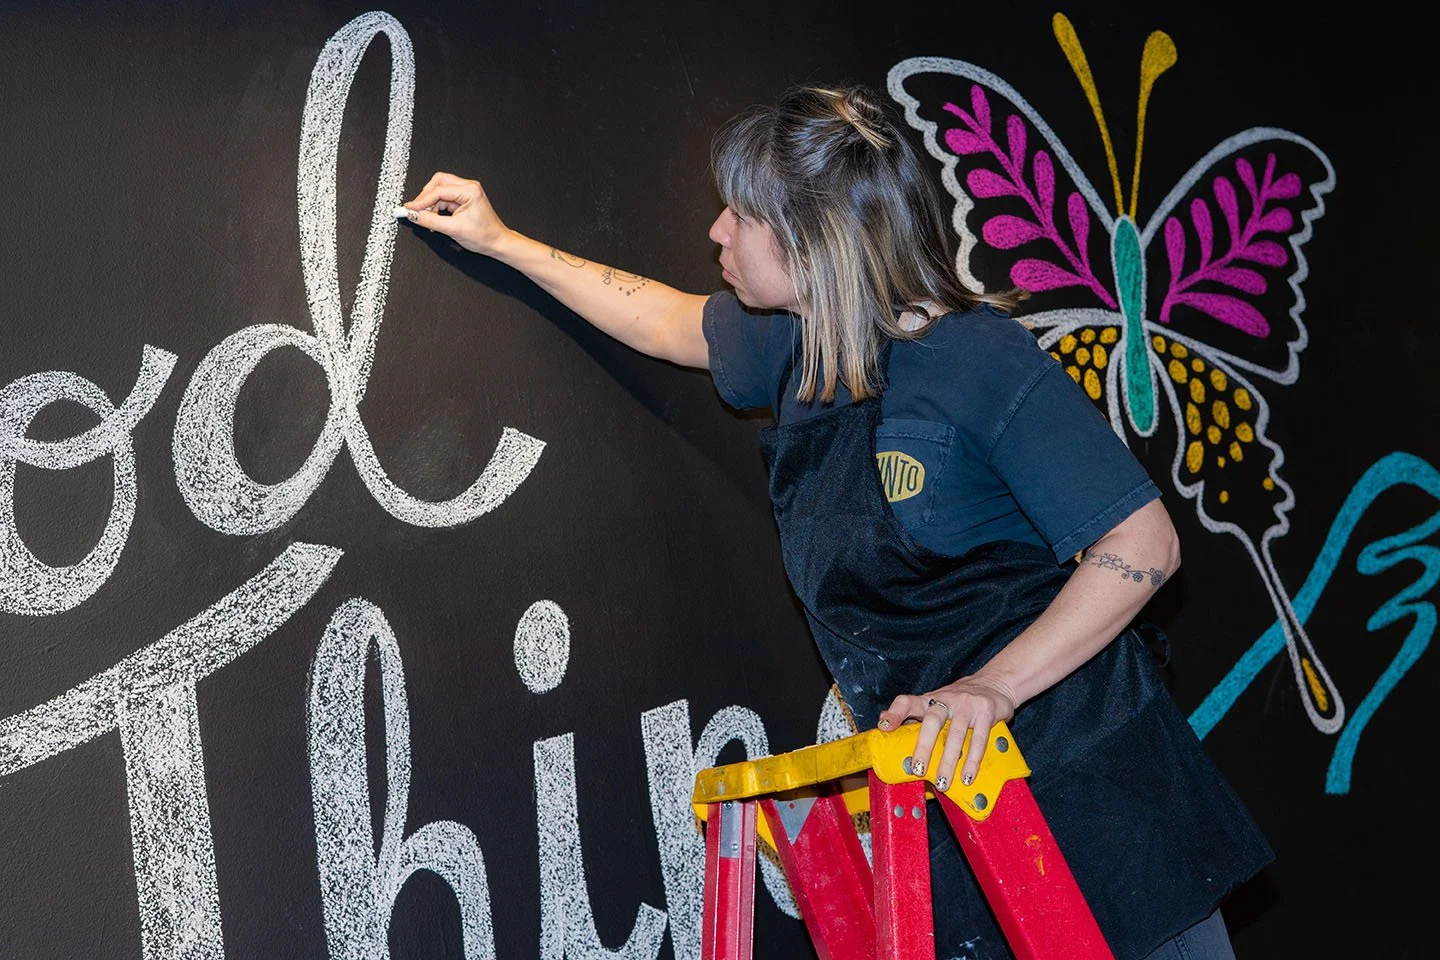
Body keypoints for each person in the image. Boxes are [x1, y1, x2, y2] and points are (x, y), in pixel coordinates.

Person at [399, 84, 1272, 960]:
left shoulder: (974, 359)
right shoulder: (791, 343)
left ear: (815, 241)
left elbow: (1144, 542)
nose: (718, 233)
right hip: (952, 799)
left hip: (1091, 793)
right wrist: (500, 241)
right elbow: (666, 323)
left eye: (742, 214)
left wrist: (990, 689)